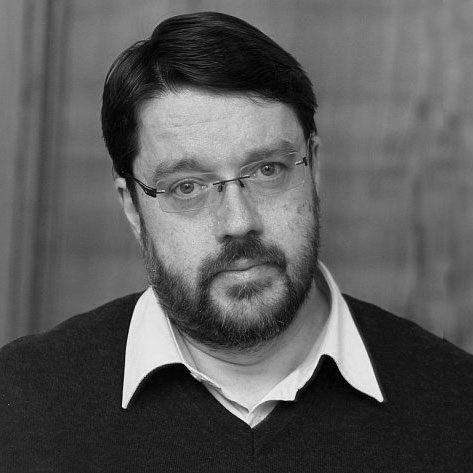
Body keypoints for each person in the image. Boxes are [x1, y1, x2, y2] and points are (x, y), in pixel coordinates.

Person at [1, 11, 472, 472]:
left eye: (267, 170)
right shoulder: (19, 404)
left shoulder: (457, 406)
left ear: (313, 168)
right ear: (132, 207)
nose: (239, 222)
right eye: (187, 186)